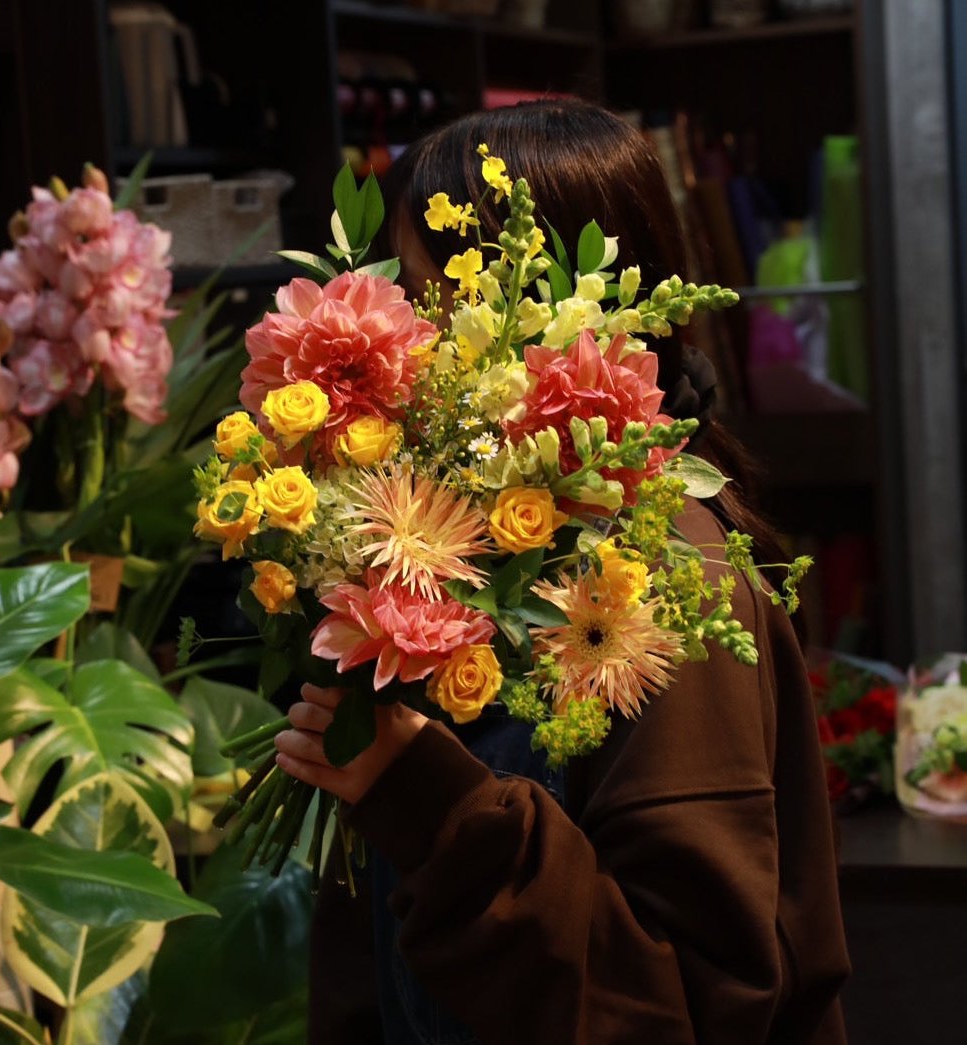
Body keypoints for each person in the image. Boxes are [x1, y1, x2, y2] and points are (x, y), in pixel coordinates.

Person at [272, 99, 851, 1045]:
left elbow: (686, 1004)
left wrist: (428, 800)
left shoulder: (659, 577)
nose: (394, 339)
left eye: (429, 299)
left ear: (553, 312)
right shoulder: (469, 546)